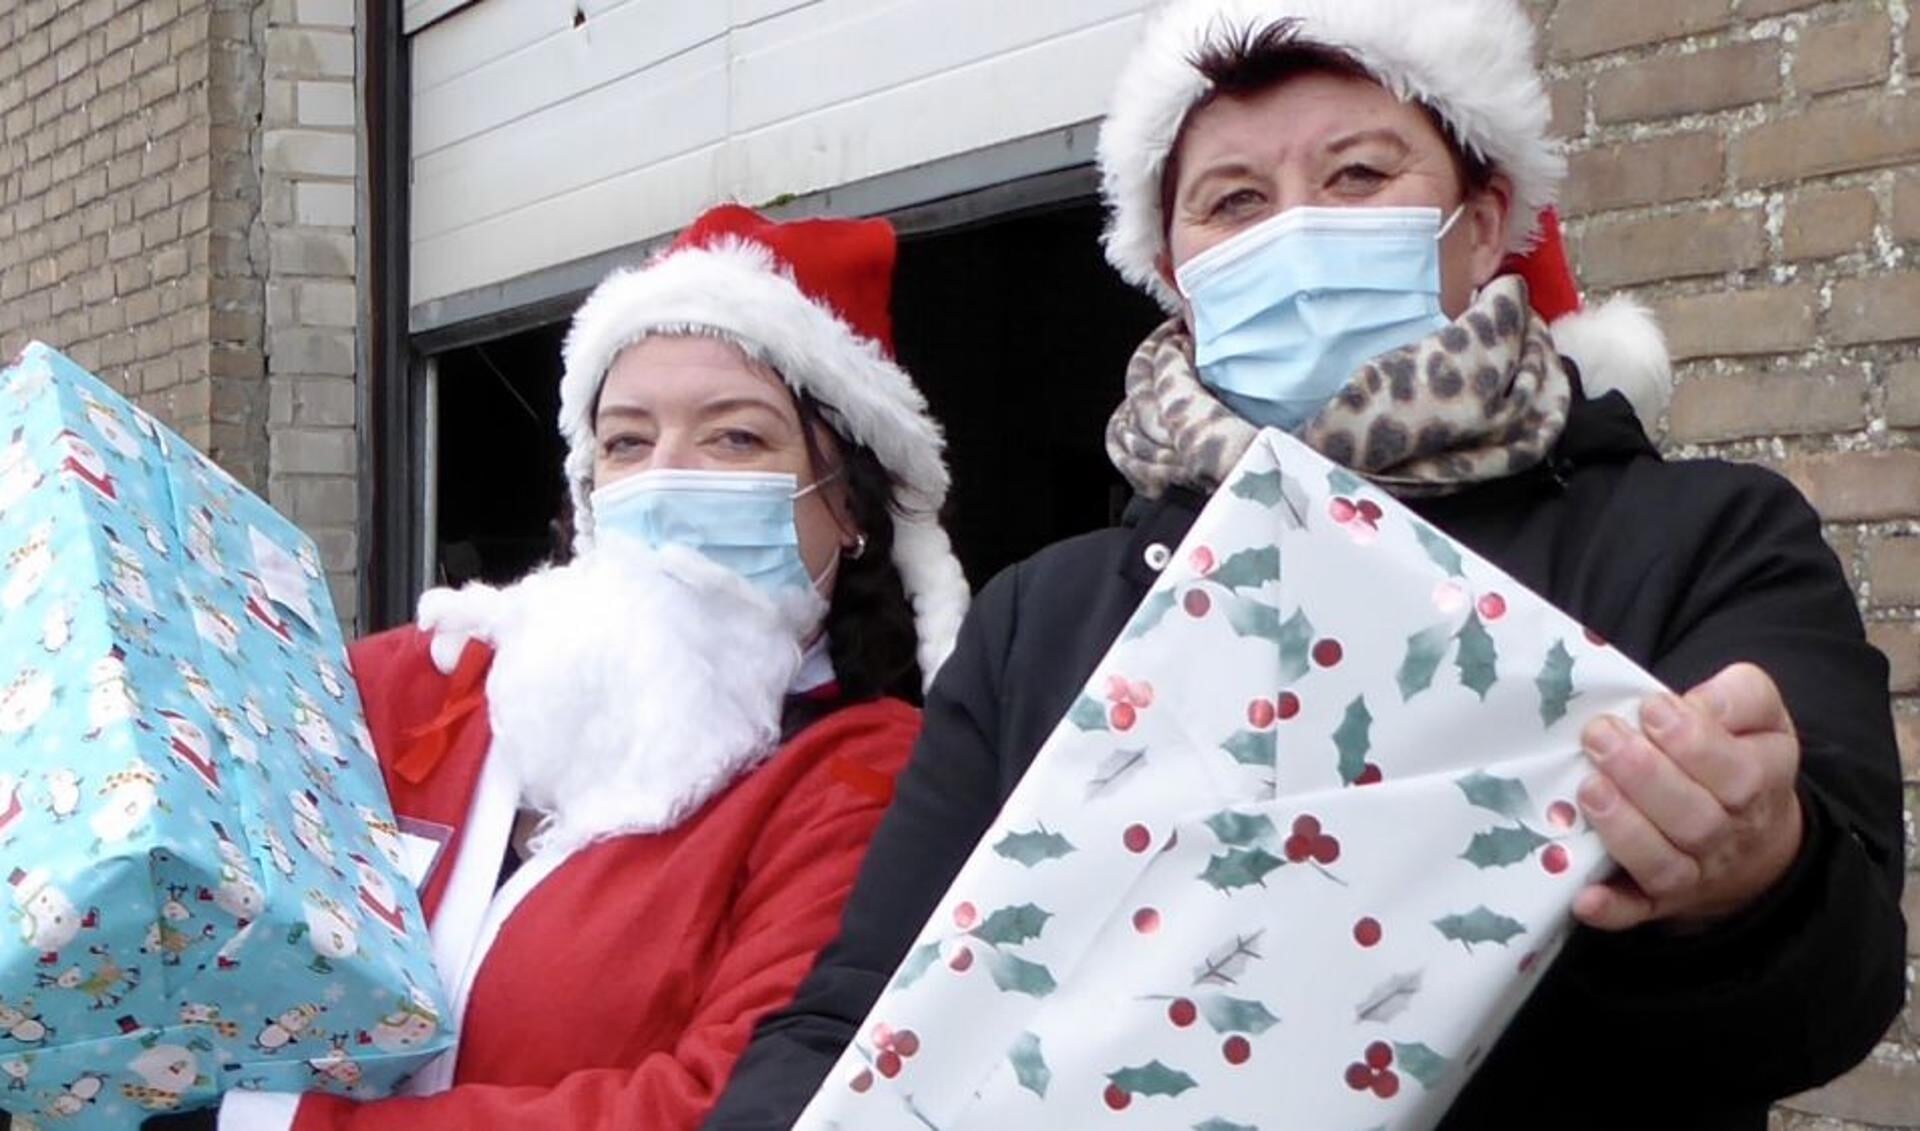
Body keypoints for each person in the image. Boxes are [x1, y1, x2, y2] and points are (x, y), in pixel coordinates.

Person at [705, 3, 1908, 1128]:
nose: (1291, 229)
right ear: (1173, 264)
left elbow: (1831, 1000)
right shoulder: (1044, 616)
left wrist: (1753, 876)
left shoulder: (1700, 540)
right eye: (1231, 200)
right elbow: (866, 1000)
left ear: (1481, 223)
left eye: (1359, 175)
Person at [203, 204, 971, 1130]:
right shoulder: (435, 683)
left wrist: (286, 1123)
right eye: (628, 441)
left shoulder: (862, 778)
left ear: (848, 503)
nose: (666, 477)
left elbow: (716, 1104)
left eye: (735, 437)